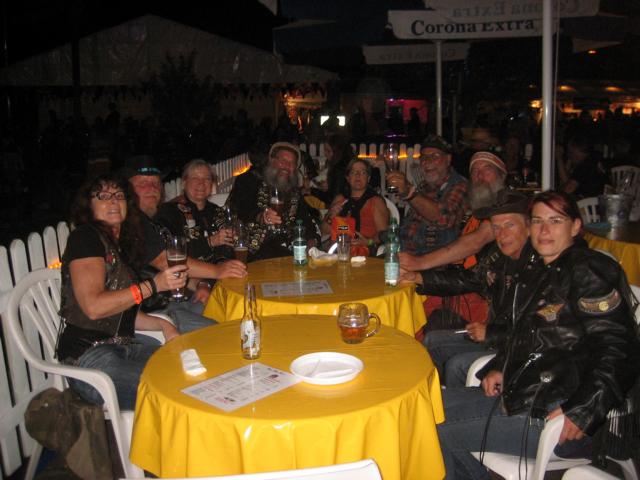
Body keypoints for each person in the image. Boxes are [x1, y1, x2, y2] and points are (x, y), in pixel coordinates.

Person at [437, 190, 640, 480]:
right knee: (425, 411)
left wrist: (582, 410)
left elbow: (619, 348)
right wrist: (501, 365)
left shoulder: (588, 270)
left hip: (563, 416)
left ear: (575, 227)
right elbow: (533, 333)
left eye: (555, 221)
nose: (544, 230)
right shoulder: (541, 270)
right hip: (528, 392)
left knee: (432, 431)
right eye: (537, 221)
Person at [55, 174, 184, 410]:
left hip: (126, 347)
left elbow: (121, 311)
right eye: (103, 196)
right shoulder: (85, 238)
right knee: (173, 391)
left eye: (119, 195)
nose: (113, 201)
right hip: (90, 358)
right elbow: (94, 307)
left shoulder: (119, 245)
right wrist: (153, 285)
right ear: (89, 206)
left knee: (188, 370)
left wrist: (164, 325)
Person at [401, 190, 539, 386]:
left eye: (510, 225)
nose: (502, 234)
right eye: (496, 227)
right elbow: (467, 279)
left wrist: (491, 333)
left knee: (457, 365)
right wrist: (418, 277)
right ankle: (438, 392)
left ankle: (461, 402)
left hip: (521, 351)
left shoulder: (540, 266)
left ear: (529, 226)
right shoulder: (499, 257)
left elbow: (539, 331)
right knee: (432, 340)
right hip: (499, 337)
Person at [123, 154, 246, 333]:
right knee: (223, 332)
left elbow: (174, 266)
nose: (152, 188)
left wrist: (202, 283)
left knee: (236, 316)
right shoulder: (136, 222)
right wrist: (216, 269)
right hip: (153, 310)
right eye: (143, 183)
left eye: (156, 183)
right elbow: (166, 261)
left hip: (184, 293)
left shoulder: (149, 221)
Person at [401, 151, 508, 330]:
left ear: (502, 175)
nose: (480, 175)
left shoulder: (507, 208)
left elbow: (475, 243)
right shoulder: (475, 205)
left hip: (486, 301)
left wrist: (419, 263)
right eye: (475, 171)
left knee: (423, 320)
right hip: (459, 282)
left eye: (487, 169)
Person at [227, 142, 320, 260]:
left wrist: (312, 241)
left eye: (292, 163)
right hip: (250, 253)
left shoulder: (293, 192)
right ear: (271, 161)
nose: (287, 166)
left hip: (284, 251)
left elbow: (304, 218)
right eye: (283, 160)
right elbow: (243, 208)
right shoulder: (249, 179)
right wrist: (262, 216)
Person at [387, 135, 469, 256]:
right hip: (404, 252)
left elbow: (444, 219)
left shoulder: (460, 185)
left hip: (433, 260)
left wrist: (409, 194)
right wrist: (374, 239)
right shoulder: (424, 186)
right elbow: (408, 228)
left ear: (448, 159)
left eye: (434, 156)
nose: (427, 161)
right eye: (424, 157)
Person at [154, 159, 234, 263]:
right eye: (195, 178)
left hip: (223, 268)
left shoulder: (217, 211)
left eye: (207, 178)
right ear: (184, 183)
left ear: (212, 184)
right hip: (191, 272)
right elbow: (172, 251)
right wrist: (210, 241)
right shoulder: (170, 212)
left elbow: (231, 248)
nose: (201, 183)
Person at [321, 158, 389, 255]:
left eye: (363, 172)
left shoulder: (376, 201)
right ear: (348, 178)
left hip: (364, 252)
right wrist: (331, 216)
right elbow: (323, 231)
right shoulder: (340, 199)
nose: (358, 175)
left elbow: (384, 235)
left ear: (368, 178)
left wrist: (368, 241)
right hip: (336, 252)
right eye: (353, 172)